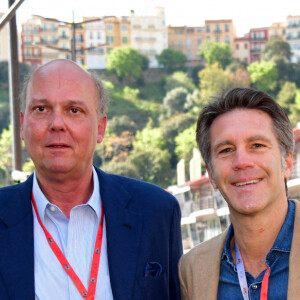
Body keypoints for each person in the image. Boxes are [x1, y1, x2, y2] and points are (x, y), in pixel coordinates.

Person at [0, 59, 182, 300]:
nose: (57, 124)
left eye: (74, 110)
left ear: (101, 128)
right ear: (22, 125)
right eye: (41, 109)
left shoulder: (156, 212)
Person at [179, 87, 300, 299]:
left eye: (257, 145)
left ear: (288, 162)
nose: (241, 162)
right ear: (211, 174)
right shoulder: (192, 270)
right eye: (226, 150)